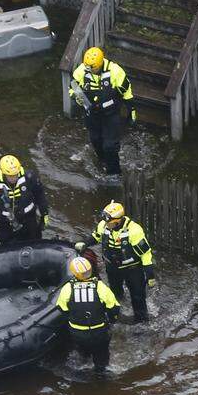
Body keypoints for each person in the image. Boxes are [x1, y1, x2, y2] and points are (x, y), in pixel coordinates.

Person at [77, 200, 154, 323]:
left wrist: (150, 274)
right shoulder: (104, 224)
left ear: (117, 221)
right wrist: (85, 244)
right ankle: (117, 310)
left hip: (132, 269)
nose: (106, 224)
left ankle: (142, 321)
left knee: (137, 296)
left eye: (109, 223)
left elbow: (145, 253)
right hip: (112, 267)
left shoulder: (134, 230)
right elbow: (96, 236)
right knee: (115, 291)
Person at [70, 46, 136, 176]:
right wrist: (79, 100)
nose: (89, 70)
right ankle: (102, 161)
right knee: (95, 140)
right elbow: (73, 88)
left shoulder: (115, 71)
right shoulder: (81, 71)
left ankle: (114, 173)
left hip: (110, 113)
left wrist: (131, 110)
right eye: (87, 67)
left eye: (92, 68)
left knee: (110, 146)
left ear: (100, 64)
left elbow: (126, 91)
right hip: (92, 114)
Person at [56, 255, 120, 374]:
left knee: (83, 357)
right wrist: (111, 321)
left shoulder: (67, 288)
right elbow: (114, 308)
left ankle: (83, 373)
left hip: (77, 333)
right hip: (99, 332)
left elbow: (61, 308)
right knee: (102, 363)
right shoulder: (100, 287)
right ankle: (101, 379)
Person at [0, 153, 49, 244]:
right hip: (6, 224)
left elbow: (40, 195)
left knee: (35, 241)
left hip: (29, 220)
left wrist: (45, 214)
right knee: (6, 245)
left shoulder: (29, 178)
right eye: (10, 176)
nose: (14, 178)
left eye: (15, 175)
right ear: (3, 173)